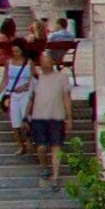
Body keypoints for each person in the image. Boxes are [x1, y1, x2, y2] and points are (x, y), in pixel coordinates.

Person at [25, 46, 74, 185]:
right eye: (42, 60)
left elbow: (66, 98)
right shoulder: (36, 78)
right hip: (38, 117)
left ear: (53, 62)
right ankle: (44, 167)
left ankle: (56, 175)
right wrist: (25, 116)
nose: (45, 63)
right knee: (41, 147)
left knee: (56, 146)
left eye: (47, 60)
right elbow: (31, 98)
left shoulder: (62, 78)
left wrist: (69, 117)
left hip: (56, 116)